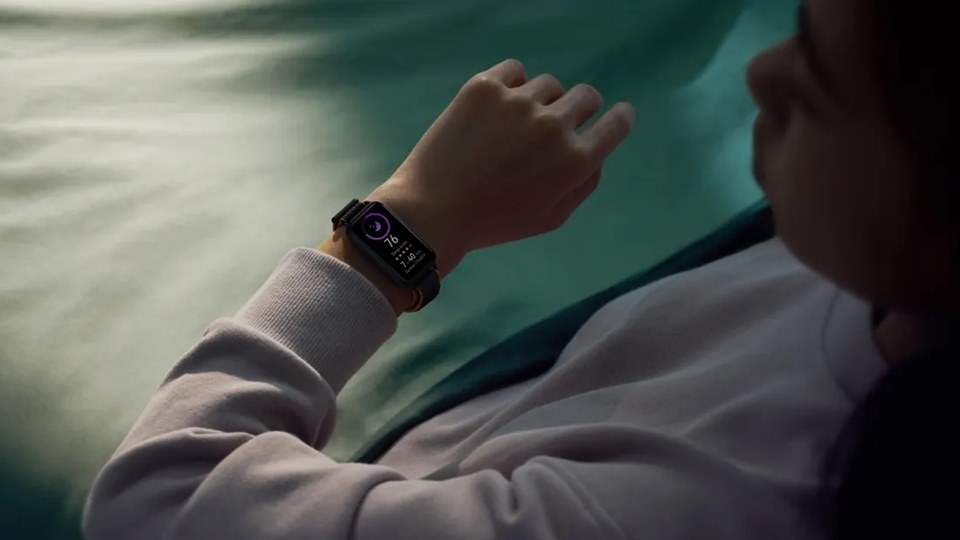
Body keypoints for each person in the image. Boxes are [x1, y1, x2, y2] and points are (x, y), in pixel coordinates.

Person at [82, 0, 958, 538]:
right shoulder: (868, 285)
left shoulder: (656, 514)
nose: (764, 72)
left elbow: (157, 501)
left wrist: (402, 227)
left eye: (822, 83)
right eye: (797, 28)